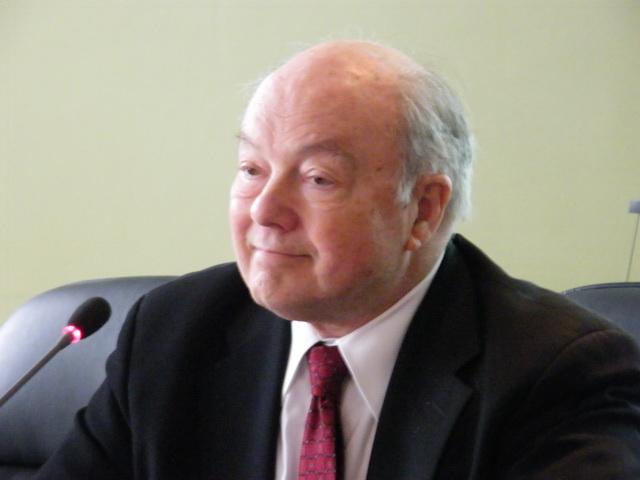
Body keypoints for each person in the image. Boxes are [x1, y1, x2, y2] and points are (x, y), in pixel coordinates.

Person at [37, 41, 640, 479]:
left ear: (423, 209)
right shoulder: (170, 334)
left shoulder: (558, 375)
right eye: (251, 169)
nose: (264, 210)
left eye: (317, 178)